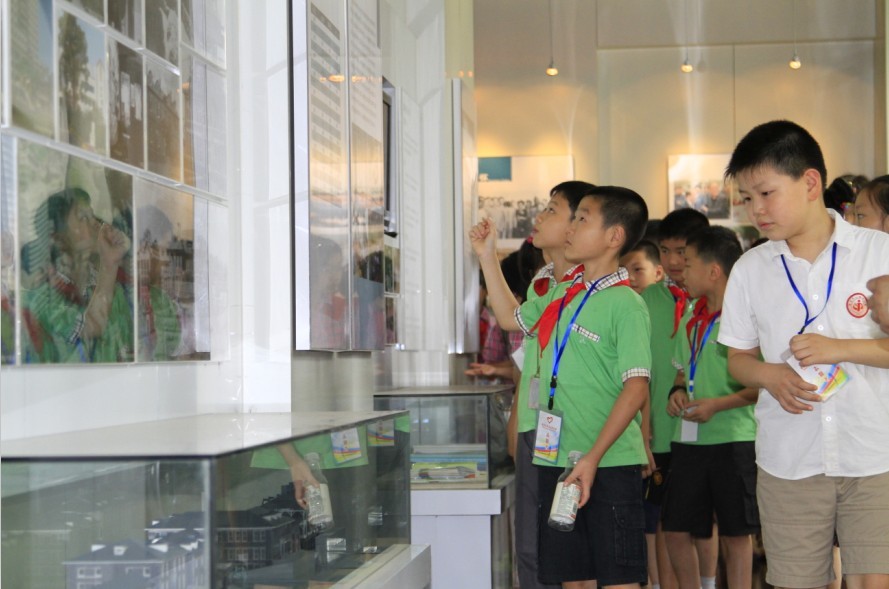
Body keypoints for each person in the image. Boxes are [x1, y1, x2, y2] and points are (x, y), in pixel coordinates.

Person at [720, 119, 889, 589]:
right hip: (789, 457)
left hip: (875, 452)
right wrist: (769, 376)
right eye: (747, 198)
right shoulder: (750, 269)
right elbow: (737, 360)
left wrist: (840, 349)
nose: (756, 209)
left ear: (810, 183)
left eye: (766, 193)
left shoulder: (880, 253)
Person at [471, 185, 651, 588]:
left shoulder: (626, 304)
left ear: (614, 236)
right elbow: (510, 318)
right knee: (572, 576)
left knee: (618, 578)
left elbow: (636, 388)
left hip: (609, 463)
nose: (571, 228)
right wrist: (487, 256)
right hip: (558, 459)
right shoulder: (562, 292)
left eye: (583, 219)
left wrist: (593, 457)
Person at [473, 180, 593, 589]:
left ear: (578, 224)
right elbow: (513, 322)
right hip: (538, 427)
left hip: (576, 433)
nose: (539, 217)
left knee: (571, 552)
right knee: (531, 547)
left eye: (552, 209)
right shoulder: (545, 285)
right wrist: (487, 256)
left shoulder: (593, 290)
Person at [662, 226, 759, 589]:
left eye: (688, 264)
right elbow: (681, 371)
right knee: (675, 528)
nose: (680, 270)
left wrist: (718, 405)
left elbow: (760, 386)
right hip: (689, 441)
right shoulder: (692, 316)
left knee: (736, 533)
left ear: (714, 271)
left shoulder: (746, 317)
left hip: (734, 439)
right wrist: (676, 391)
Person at [639, 207, 715, 589]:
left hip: (707, 429)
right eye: (665, 250)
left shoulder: (716, 299)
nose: (671, 261)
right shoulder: (644, 301)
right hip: (661, 431)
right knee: (664, 521)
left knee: (705, 523)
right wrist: (643, 428)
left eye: (681, 251)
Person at [21, 187, 133, 363]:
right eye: (83, 217)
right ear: (57, 238)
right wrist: (110, 263)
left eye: (92, 215)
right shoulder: (44, 296)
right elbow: (91, 327)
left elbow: (127, 350)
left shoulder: (114, 291)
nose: (96, 223)